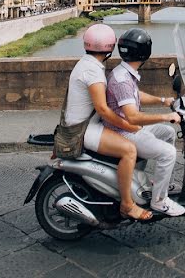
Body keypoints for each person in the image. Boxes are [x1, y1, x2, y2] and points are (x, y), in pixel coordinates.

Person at [63, 24, 153, 221]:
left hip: (82, 124)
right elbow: (103, 109)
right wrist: (127, 124)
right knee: (129, 149)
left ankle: (132, 184)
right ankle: (127, 204)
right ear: (110, 48)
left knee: (134, 138)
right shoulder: (93, 71)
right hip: (84, 129)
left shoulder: (87, 64)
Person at [106, 28, 185, 217]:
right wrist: (165, 116)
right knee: (168, 153)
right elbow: (132, 116)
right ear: (145, 52)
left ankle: (165, 183)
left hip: (128, 127)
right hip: (125, 132)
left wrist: (162, 100)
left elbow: (135, 96)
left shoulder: (124, 72)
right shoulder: (122, 79)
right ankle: (159, 201)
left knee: (168, 133)